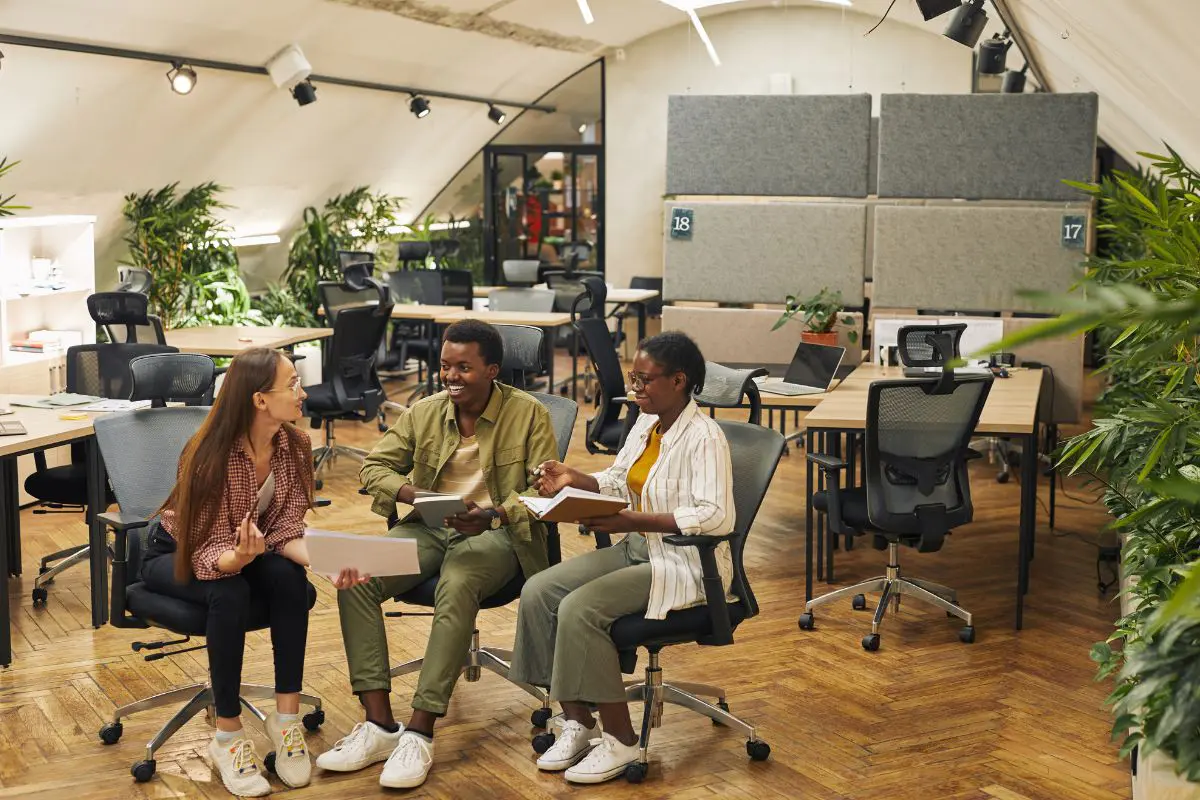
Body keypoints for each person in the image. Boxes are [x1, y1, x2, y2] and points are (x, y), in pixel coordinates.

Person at [317, 319, 558, 789]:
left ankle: (420, 731)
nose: (451, 376)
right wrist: (415, 495)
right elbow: (374, 467)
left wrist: (492, 514)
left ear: (492, 370)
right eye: (446, 366)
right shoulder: (425, 411)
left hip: (499, 535)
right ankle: (380, 725)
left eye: (464, 368)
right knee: (356, 577)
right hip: (432, 527)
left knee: (459, 581)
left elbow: (543, 492)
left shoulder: (528, 414)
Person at [508, 331, 734, 784]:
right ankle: (578, 720)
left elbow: (715, 517)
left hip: (683, 563)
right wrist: (576, 479)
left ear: (679, 380)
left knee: (579, 609)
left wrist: (634, 521)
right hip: (637, 548)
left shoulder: (704, 437)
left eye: (645, 380)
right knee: (539, 590)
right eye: (633, 378)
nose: (636, 388)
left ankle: (621, 738)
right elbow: (616, 480)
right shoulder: (647, 424)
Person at [141, 348, 347, 797]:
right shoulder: (206, 454)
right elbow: (205, 550)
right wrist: (238, 560)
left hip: (243, 553)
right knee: (230, 593)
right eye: (292, 383)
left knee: (292, 580)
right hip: (176, 553)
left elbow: (286, 528)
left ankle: (285, 719)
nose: (303, 392)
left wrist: (323, 560)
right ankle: (228, 735)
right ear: (259, 400)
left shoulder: (295, 444)